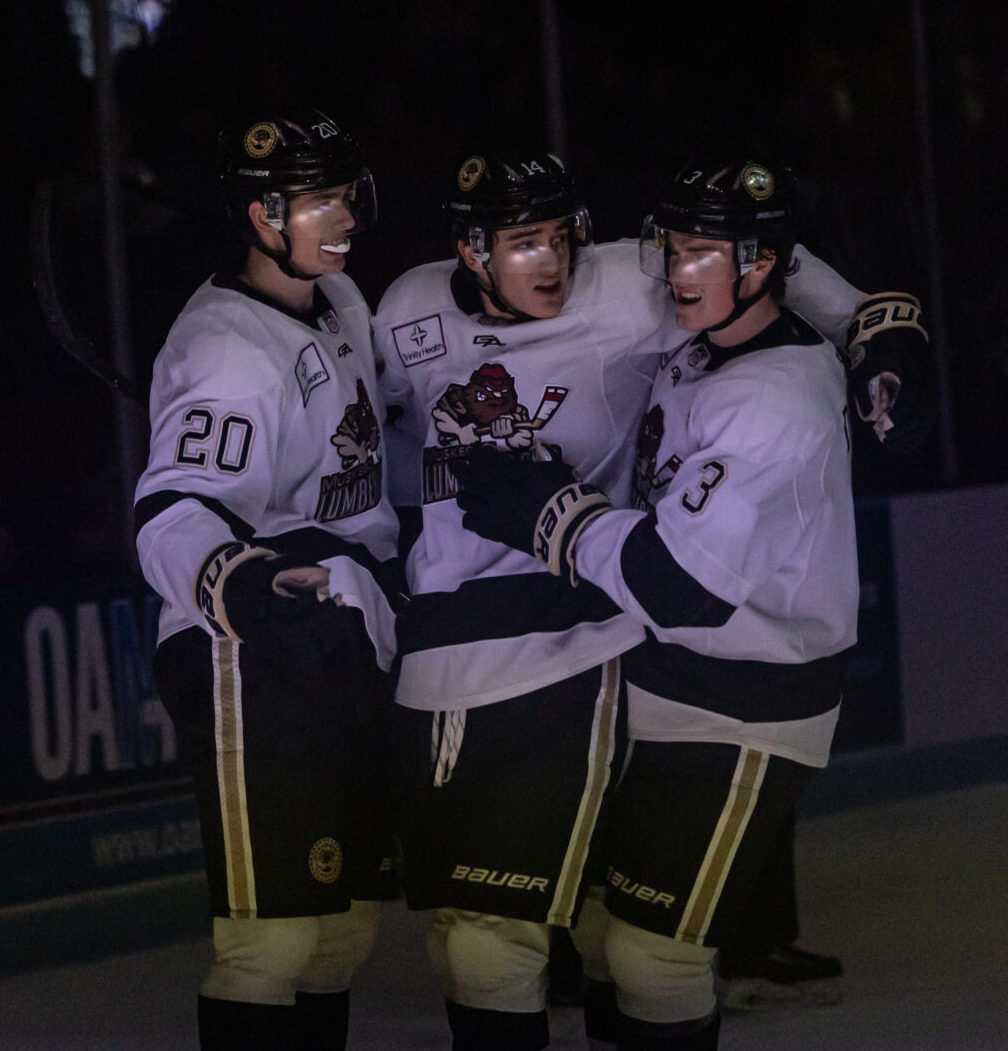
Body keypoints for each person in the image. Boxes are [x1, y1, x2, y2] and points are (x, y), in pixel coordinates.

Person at [373, 148, 895, 1050]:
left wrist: (553, 514)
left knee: (654, 958)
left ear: (760, 265)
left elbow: (679, 584)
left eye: (705, 256)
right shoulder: (694, 334)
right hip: (651, 674)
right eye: (675, 250)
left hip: (745, 696)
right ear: (470, 249)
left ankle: (753, 943)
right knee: (600, 938)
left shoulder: (773, 396)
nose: (677, 274)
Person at [133, 105, 401, 1051]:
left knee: (341, 931)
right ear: (262, 216)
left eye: (346, 193)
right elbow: (171, 514)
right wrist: (245, 585)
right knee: (272, 943)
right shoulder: (226, 349)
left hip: (339, 636)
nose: (346, 216)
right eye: (321, 200)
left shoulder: (341, 299)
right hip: (248, 654)